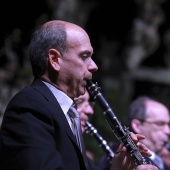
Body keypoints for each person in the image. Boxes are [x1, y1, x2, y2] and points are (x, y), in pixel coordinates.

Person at [0, 20, 158, 170]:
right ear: (55, 59)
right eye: (84, 56)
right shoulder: (30, 106)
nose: (94, 66)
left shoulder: (67, 112)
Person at [98, 96, 170, 170]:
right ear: (137, 126)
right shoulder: (119, 158)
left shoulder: (163, 162)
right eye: (160, 123)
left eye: (168, 125)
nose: (168, 131)